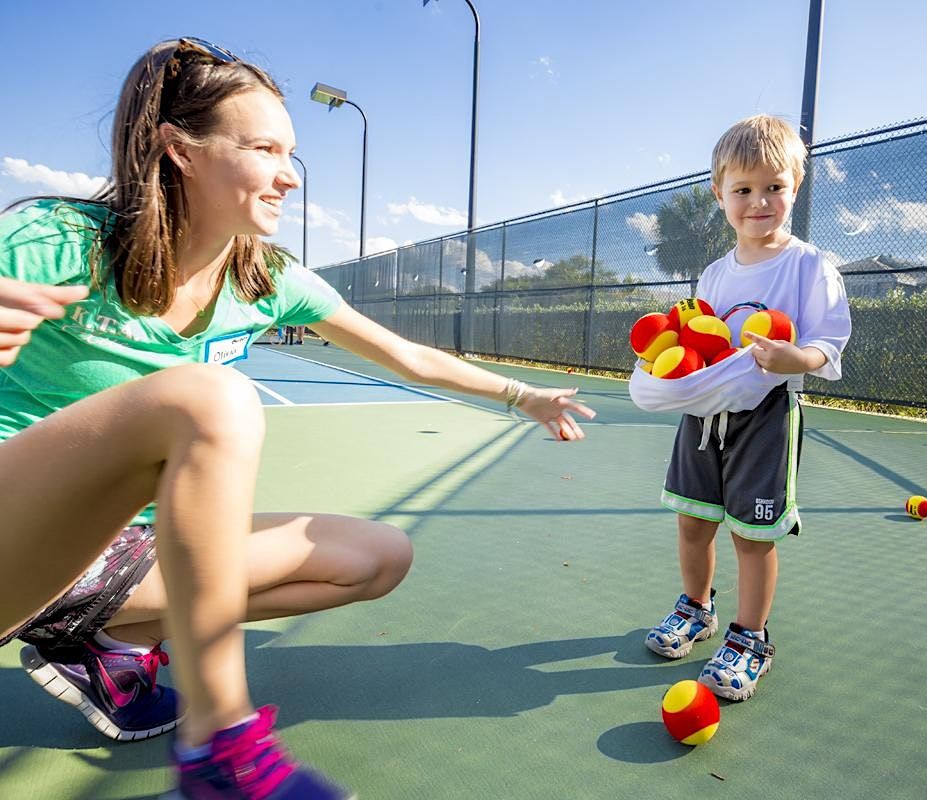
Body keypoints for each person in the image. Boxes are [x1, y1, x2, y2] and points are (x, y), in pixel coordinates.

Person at [0, 38, 595, 800]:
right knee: (208, 398)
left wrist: (525, 396)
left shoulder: (265, 276)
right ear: (179, 150)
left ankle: (105, 646)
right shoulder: (59, 240)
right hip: (17, 547)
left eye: (292, 152)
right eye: (263, 149)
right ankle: (222, 753)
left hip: (125, 558)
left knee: (377, 555)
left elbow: (406, 357)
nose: (289, 175)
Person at [642, 115, 851, 701]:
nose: (758, 201)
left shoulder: (810, 266)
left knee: (753, 537)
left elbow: (826, 344)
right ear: (719, 193)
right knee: (693, 520)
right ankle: (697, 609)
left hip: (766, 420)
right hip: (703, 415)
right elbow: (696, 344)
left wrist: (796, 358)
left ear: (795, 187)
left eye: (773, 188)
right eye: (743, 189)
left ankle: (750, 636)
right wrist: (670, 369)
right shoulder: (713, 273)